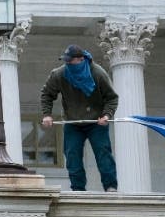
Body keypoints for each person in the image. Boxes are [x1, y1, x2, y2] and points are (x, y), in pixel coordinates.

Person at [40, 44, 119, 192]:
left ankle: (110, 186)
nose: (67, 63)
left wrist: (107, 115)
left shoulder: (97, 73)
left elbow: (112, 98)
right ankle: (78, 189)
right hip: (73, 122)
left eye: (70, 61)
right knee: (72, 154)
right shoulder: (59, 74)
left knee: (103, 152)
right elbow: (46, 94)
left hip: (96, 121)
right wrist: (47, 114)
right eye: (66, 61)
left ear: (81, 59)